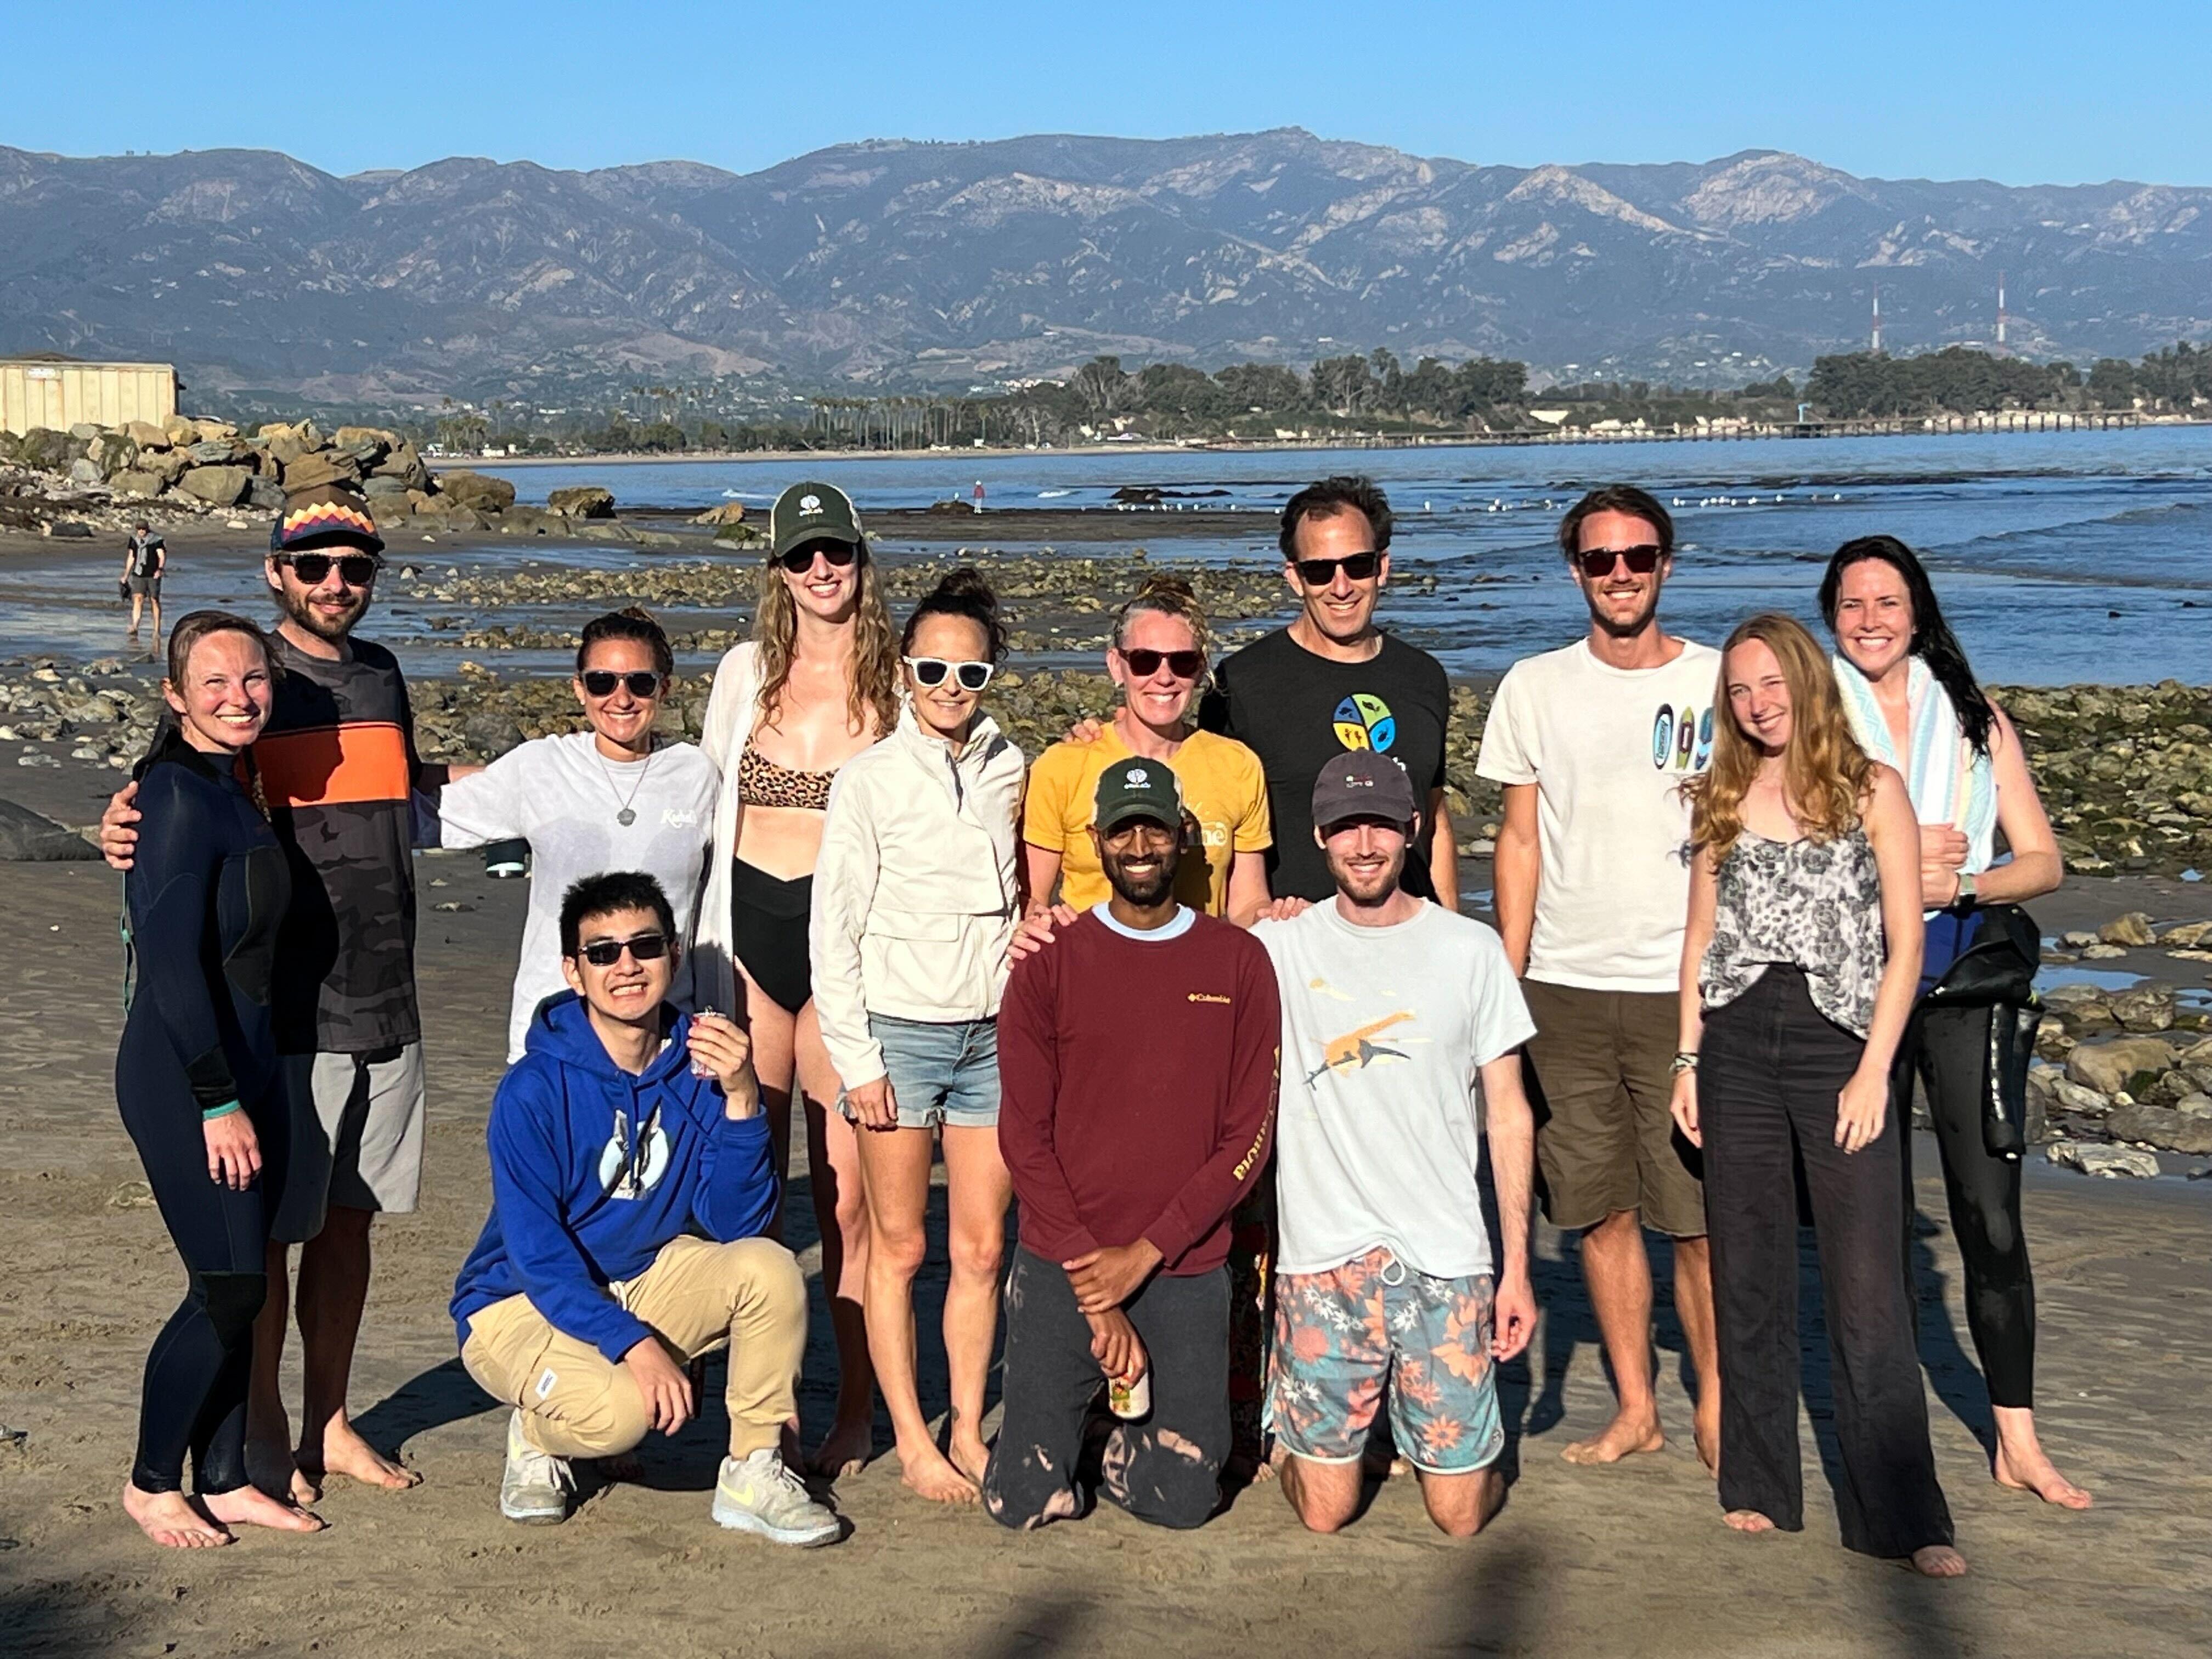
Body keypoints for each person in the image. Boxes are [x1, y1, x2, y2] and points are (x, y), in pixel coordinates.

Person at [101, 482, 463, 1503]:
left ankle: (330, 1423)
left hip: (391, 993)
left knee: (351, 1225)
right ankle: (256, 1438)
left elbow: (409, 790)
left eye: (355, 566)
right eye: (314, 566)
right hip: (290, 1012)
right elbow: (172, 789)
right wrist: (118, 819)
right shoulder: (252, 685)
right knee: (266, 1239)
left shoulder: (384, 675)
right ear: (276, 574)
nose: (336, 583)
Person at [1671, 613, 1963, 1578]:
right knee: (1748, 1270)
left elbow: (1904, 940)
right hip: (1736, 1041)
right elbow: (1700, 932)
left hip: (1841, 1041)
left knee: (1867, 1286)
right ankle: (1758, 1482)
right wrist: (1685, 1059)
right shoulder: (1718, 790)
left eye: (1772, 684)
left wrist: (1877, 1066)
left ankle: (1901, 1512)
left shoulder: (1870, 788)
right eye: (1741, 690)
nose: (1758, 704)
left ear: (1806, 680)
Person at [450, 872, 839, 1545]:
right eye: (602, 953)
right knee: (621, 1417)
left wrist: (744, 1099)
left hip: (639, 1275)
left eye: (645, 947)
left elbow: (736, 1226)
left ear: (675, 955)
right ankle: (538, 1432)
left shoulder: (700, 1064)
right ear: (574, 972)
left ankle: (754, 1465)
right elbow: (537, 1257)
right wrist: (636, 1345)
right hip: (517, 1300)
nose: (626, 966)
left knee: (769, 1268)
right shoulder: (533, 1088)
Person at [1821, 535, 2087, 1510]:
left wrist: (1960, 877)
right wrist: (1884, 850)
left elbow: (2043, 862)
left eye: (1886, 600)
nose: (1869, 619)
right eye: (1850, 604)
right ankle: (1888, 1439)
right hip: (1854, 982)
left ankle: (2016, 1434)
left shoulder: (1978, 721)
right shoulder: (1814, 725)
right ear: (1830, 617)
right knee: (1870, 1223)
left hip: (1963, 978)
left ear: (1917, 608)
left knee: (1989, 1216)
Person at [1475, 483, 1723, 1469]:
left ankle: (1714, 1402)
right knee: (1597, 1209)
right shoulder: (1534, 686)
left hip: (1688, 988)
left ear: (1667, 561)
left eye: (1638, 556)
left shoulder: (1722, 681)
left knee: (1695, 1217)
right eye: (1599, 559)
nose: (1619, 573)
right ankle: (1635, 1405)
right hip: (1565, 989)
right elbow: (1520, 839)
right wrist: (1507, 979)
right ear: (1573, 568)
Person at [985, 758, 1280, 1531]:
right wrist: (1095, 1282)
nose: (1140, 844)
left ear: (1185, 835)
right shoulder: (1047, 965)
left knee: (1181, 1502)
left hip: (1182, 1266)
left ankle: (1119, 1443)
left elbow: (1247, 1138)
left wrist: (1144, 1256)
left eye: (1154, 827)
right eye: (1123, 830)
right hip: (1065, 1260)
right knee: (1024, 1504)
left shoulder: (1238, 961)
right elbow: (1024, 1134)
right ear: (1096, 841)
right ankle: (1068, 1426)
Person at [1257, 752, 1539, 1538]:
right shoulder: (1278, 947)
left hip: (1446, 1260)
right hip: (1323, 1261)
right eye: (1347, 828)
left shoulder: (1470, 950)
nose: (1366, 843)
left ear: (1413, 830)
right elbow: (1165, 963)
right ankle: (1295, 1423)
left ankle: (1430, 1433)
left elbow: (1511, 1114)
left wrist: (1515, 1270)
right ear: (1319, 837)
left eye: (1382, 823)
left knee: (1458, 1519)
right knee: (1325, 1512)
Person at [693, 479, 897, 1477]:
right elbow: (694, 796)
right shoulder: (742, 674)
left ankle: (854, 1409)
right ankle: (761, 1414)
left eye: (837, 552)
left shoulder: (901, 678)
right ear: (775, 570)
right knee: (748, 1195)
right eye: (801, 555)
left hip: (846, 962)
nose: (822, 569)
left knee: (848, 1205)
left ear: (861, 558)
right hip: (746, 948)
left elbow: (968, 778)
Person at [811, 569, 1025, 1504]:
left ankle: (968, 1425)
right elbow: (835, 929)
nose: (948, 685)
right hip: (897, 1037)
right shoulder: (868, 779)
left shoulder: (1012, 765)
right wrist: (857, 1063)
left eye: (968, 670)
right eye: (932, 666)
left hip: (993, 1035)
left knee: (981, 1247)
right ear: (902, 668)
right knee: (898, 1247)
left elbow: (1036, 879)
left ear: (989, 674)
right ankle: (910, 1435)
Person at [117, 611, 324, 1548]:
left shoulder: (236, 786)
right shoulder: (173, 793)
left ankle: (229, 1473)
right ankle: (153, 1478)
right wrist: (216, 1097)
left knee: (249, 1275)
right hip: (184, 1074)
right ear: (174, 696)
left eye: (253, 680)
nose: (238, 697)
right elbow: (168, 962)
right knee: (228, 1286)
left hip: (245, 1064)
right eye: (214, 683)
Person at [435, 608, 718, 1063]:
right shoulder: (540, 767)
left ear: (664, 688)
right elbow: (425, 814)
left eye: (640, 683)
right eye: (603, 682)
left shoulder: (697, 773)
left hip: (667, 1035)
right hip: (554, 1030)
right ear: (579, 689)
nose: (621, 698)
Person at [1202, 476, 1455, 909]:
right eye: (1320, 570)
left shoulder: (1424, 677)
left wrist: (1454, 934)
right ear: (1295, 578)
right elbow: (1213, 831)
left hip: (1409, 939)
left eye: (1357, 565)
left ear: (1382, 568)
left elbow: (1435, 823)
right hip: (1298, 942)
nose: (1341, 587)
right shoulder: (1239, 684)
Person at [1024, 575, 1271, 924]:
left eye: (1182, 662)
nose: (1164, 677)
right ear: (1116, 665)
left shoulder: (1238, 765)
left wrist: (1290, 925)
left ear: (1200, 669)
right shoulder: (1062, 766)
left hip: (1197, 969)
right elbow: (1034, 898)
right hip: (1093, 966)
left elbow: (1248, 904)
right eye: (1145, 661)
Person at [122, 522, 168, 648]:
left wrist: (160, 569)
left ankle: (157, 630)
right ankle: (135, 626)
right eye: (139, 529)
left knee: (154, 600)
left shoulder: (157, 540)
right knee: (137, 599)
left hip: (153, 574)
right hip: (138, 573)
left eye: (143, 529)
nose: (141, 531)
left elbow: (161, 555)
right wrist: (126, 574)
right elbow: (131, 557)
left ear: (147, 529)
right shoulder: (134, 540)